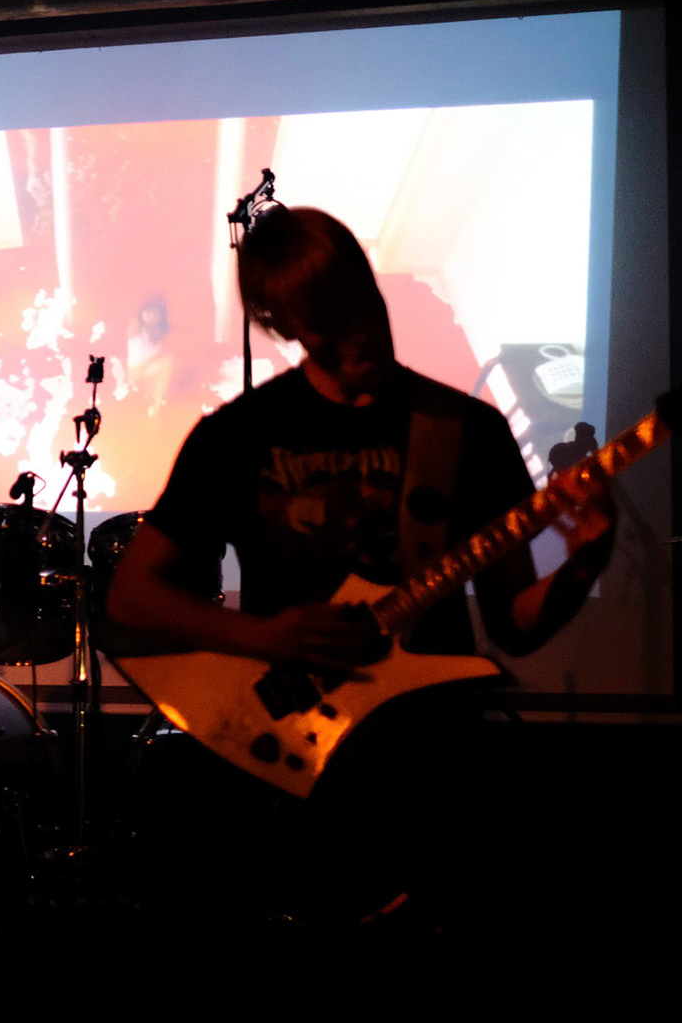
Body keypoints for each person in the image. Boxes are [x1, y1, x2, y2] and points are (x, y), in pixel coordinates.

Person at [106, 207, 614, 925]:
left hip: (431, 771)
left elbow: (514, 625)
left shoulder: (467, 431)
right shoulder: (237, 436)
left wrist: (585, 565)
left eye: (363, 310)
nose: (357, 340)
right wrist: (267, 636)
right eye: (327, 327)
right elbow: (131, 596)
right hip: (293, 768)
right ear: (284, 326)